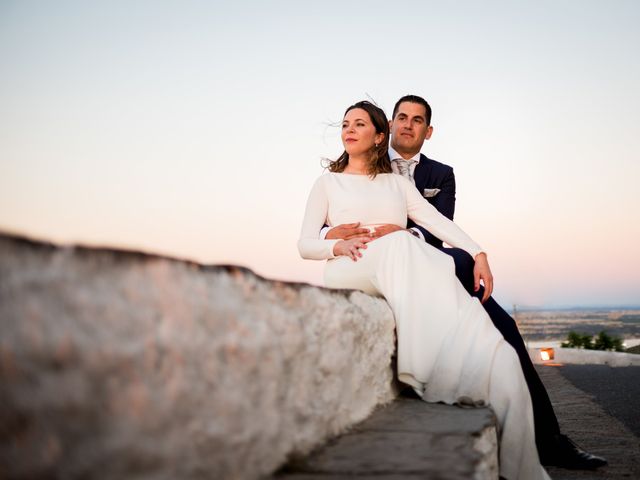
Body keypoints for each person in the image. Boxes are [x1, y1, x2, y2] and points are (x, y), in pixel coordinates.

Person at [321, 95, 606, 470]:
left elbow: (440, 228)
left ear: (428, 131)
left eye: (417, 120)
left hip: (432, 261)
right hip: (378, 268)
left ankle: (548, 439)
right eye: (401, 117)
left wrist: (409, 236)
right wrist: (333, 235)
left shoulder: (441, 174)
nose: (408, 125)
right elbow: (331, 220)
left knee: (503, 330)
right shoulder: (361, 163)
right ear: (386, 127)